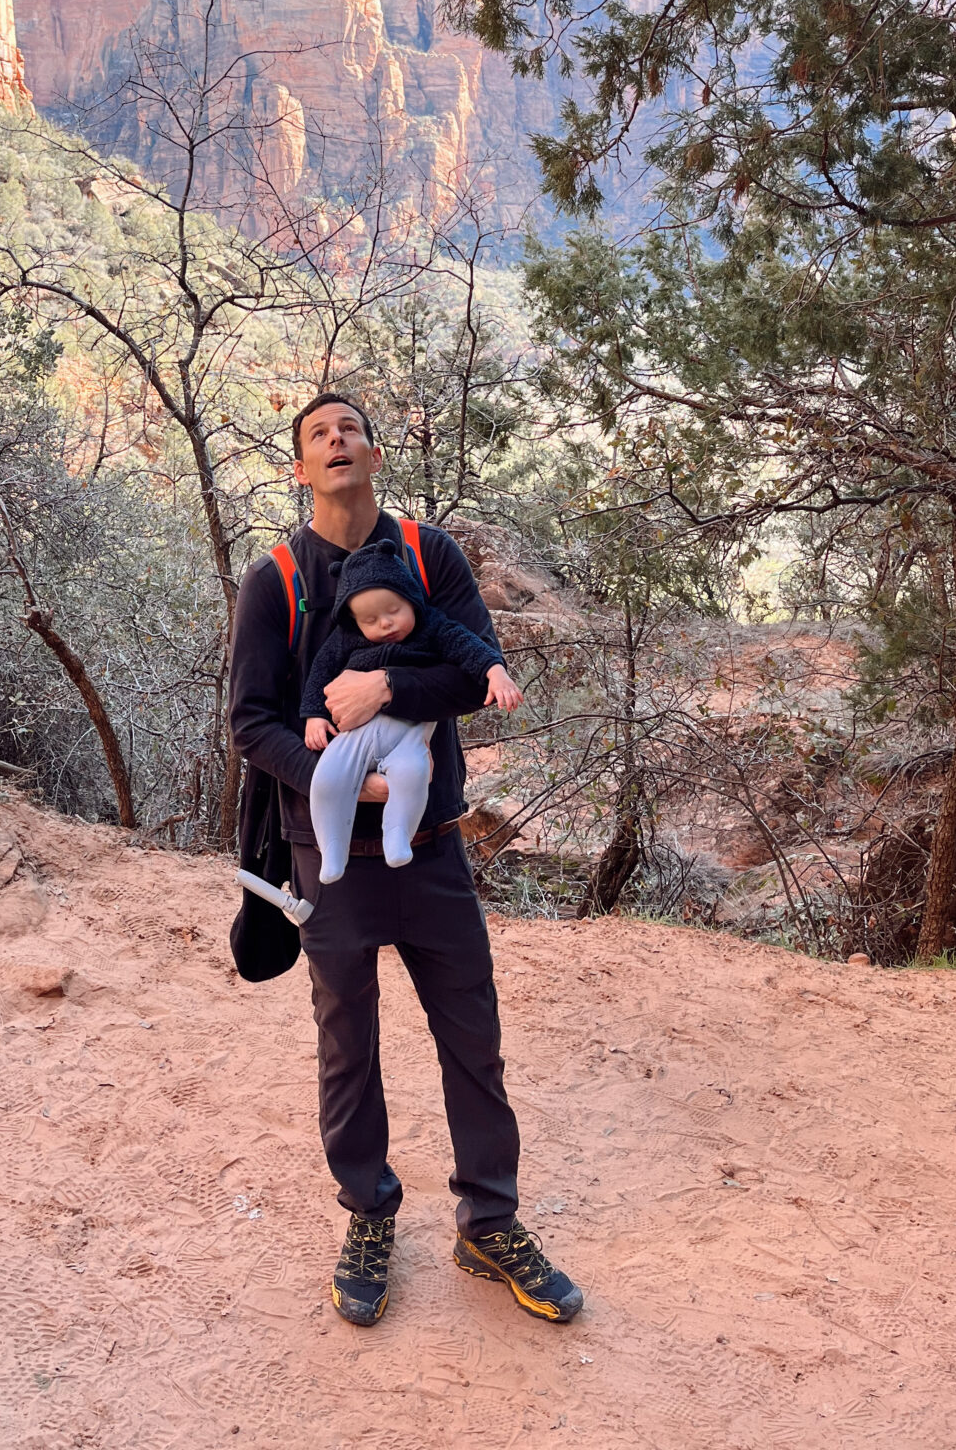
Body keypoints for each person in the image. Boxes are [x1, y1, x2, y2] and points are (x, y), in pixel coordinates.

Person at [229, 392, 584, 1329]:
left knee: (471, 1032)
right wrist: (335, 778)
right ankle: (369, 1215)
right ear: (300, 469)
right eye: (317, 435)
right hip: (329, 850)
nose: (336, 441)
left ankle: (489, 1222)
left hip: (431, 848)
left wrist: (384, 682)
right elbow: (251, 722)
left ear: (375, 453)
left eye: (349, 429)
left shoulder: (430, 556)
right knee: (349, 1044)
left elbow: (478, 670)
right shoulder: (277, 581)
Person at [301, 536, 523, 880]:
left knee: (412, 775)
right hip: (354, 734)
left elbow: (469, 647)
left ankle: (397, 837)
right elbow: (320, 672)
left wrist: (496, 673)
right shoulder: (345, 639)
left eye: (394, 611)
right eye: (371, 620)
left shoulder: (432, 627)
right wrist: (314, 714)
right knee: (327, 780)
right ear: (354, 621)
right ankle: (332, 851)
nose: (386, 624)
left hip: (408, 731)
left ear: (412, 599)